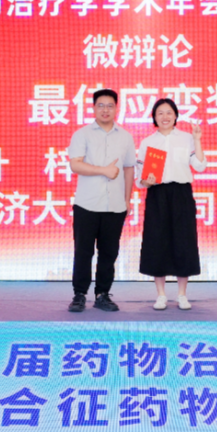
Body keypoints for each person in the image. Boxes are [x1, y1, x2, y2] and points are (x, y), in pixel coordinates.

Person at [66, 89, 136, 313]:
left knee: (109, 253)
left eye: (110, 105)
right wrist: (103, 170)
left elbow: (128, 169)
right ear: (94, 108)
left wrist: (127, 200)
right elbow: (75, 164)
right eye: (101, 105)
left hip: (115, 205)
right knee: (83, 252)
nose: (105, 110)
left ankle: (102, 294)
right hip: (87, 203)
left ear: (117, 108)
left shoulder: (125, 136)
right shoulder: (82, 134)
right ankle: (79, 294)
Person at [136, 98, 205, 310]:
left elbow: (200, 166)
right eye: (160, 113)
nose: (165, 117)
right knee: (157, 242)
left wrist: (197, 139)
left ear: (176, 116)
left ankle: (182, 295)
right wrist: (146, 181)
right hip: (157, 194)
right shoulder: (148, 142)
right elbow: (140, 179)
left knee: (184, 241)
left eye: (169, 112)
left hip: (181, 194)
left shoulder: (187, 138)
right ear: (154, 117)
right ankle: (161, 295)